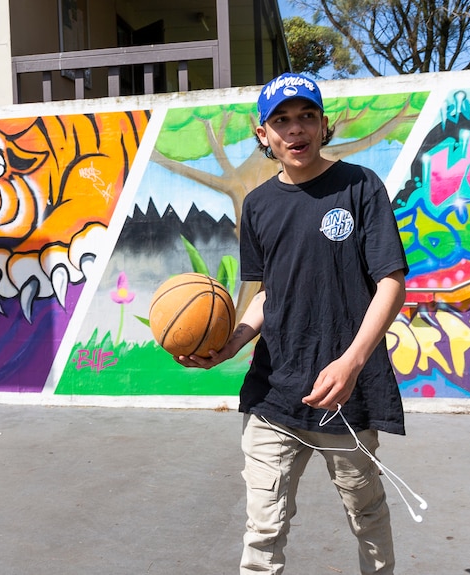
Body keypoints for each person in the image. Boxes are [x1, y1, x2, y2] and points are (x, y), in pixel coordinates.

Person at [177, 72, 409, 575]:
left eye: (306, 116)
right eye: (281, 120)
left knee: (365, 514)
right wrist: (233, 341)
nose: (295, 129)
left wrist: (351, 363)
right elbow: (266, 295)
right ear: (264, 135)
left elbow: (391, 283)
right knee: (263, 528)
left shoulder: (360, 186)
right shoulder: (259, 205)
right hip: (273, 393)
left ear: (323, 125)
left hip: (346, 394)